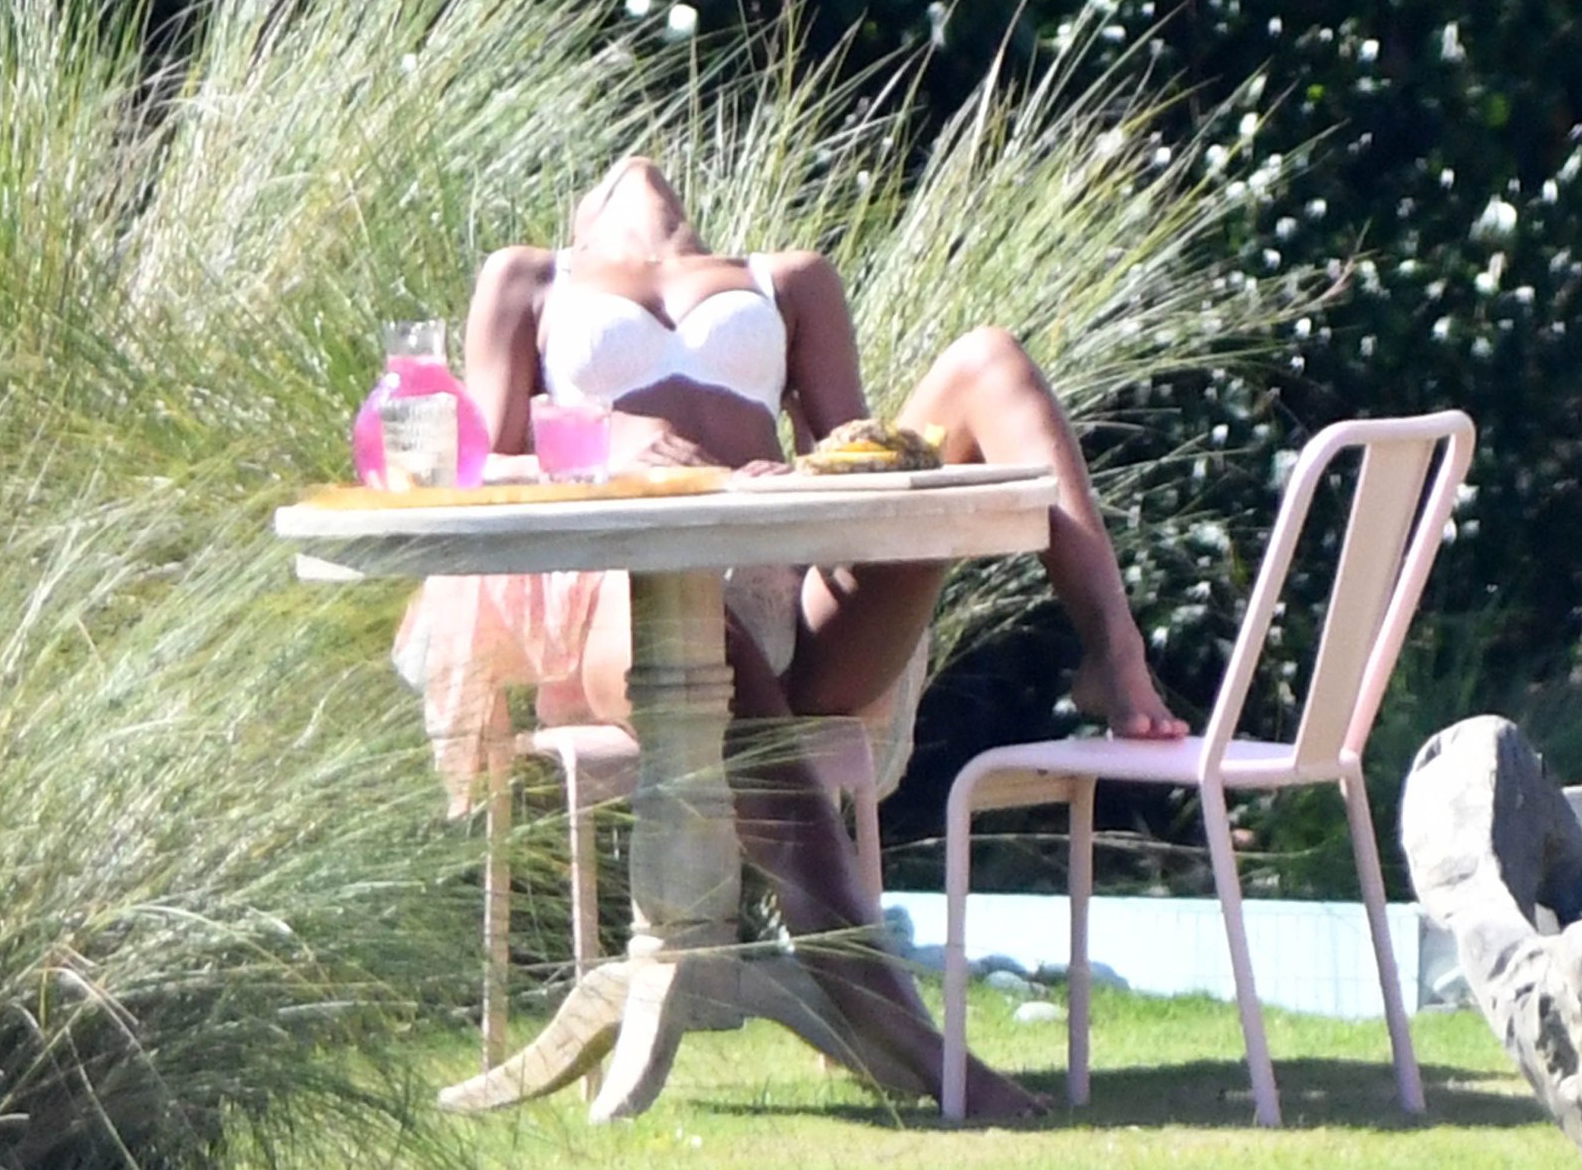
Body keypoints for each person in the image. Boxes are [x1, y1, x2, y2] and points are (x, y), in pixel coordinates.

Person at [413, 155, 1187, 1118]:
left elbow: (854, 463)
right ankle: (886, 1014)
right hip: (627, 611)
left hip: (791, 601)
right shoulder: (532, 277)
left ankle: (1112, 650)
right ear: (583, 214)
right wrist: (609, 443)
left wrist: (810, 475)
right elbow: (473, 468)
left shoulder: (787, 278)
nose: (638, 169)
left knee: (990, 358)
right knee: (705, 637)